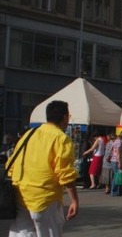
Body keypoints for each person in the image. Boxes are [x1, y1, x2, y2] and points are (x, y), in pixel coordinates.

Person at [7, 100, 79, 236]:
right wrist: (74, 200)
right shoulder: (61, 138)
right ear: (64, 117)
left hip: (21, 194)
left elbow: (11, 164)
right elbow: (65, 173)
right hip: (45, 198)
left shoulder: (29, 134)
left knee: (22, 233)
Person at [109, 130, 122, 197]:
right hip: (116, 161)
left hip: (113, 160)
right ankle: (115, 191)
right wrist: (120, 162)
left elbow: (111, 150)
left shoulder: (114, 142)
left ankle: (117, 191)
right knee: (117, 176)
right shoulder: (119, 141)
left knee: (116, 176)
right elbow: (118, 153)